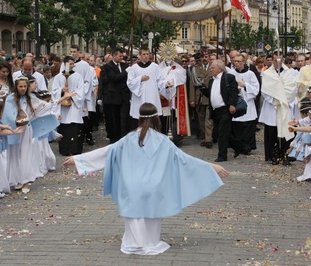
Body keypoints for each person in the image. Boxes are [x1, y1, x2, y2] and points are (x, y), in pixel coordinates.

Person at [62, 102, 228, 255]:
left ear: (139, 118)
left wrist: (78, 160)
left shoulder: (127, 139)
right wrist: (212, 167)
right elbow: (186, 160)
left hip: (131, 186)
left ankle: (135, 243)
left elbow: (106, 152)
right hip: (154, 186)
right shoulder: (164, 141)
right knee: (152, 217)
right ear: (157, 118)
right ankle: (150, 242)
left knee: (134, 216)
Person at [201, 60, 238, 162]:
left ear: (219, 68)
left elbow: (234, 91)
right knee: (221, 132)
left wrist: (232, 104)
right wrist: (203, 89)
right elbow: (211, 94)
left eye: (212, 67)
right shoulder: (212, 80)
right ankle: (242, 147)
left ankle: (222, 155)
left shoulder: (228, 77)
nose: (211, 69)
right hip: (215, 110)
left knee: (222, 133)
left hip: (225, 109)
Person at [127, 47, 172, 130]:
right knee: (139, 117)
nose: (146, 56)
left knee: (152, 119)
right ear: (139, 56)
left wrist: (166, 83)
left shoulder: (155, 67)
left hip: (152, 97)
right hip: (139, 98)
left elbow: (160, 80)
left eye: (147, 54)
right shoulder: (134, 68)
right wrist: (140, 79)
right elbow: (130, 83)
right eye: (143, 54)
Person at [52, 56, 85, 156]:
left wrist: (72, 95)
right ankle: (64, 149)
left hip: (74, 105)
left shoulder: (78, 76)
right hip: (63, 107)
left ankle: (74, 149)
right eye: (70, 63)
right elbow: (54, 91)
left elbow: (81, 91)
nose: (72, 65)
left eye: (73, 63)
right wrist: (61, 91)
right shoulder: (58, 77)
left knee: (74, 127)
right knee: (64, 128)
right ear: (65, 64)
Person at [99, 47, 131, 143]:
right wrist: (126, 72)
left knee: (124, 119)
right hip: (113, 97)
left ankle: (124, 137)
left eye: (122, 56)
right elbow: (114, 78)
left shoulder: (125, 65)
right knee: (114, 119)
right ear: (114, 56)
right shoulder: (107, 67)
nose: (121, 58)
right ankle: (115, 138)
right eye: (120, 56)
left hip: (124, 96)